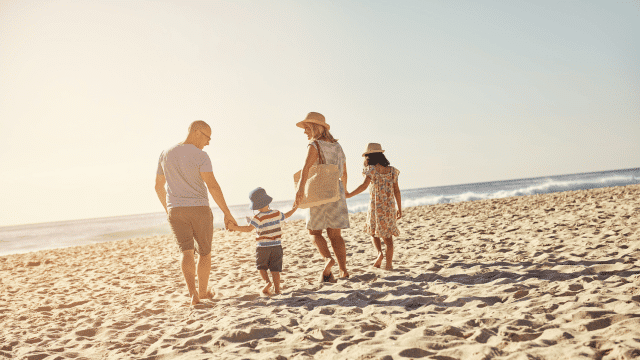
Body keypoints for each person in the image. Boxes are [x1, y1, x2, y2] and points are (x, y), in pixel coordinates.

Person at [155, 120, 238, 305]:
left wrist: (168, 209)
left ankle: (192, 294)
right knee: (204, 253)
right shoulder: (201, 155)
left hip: (176, 210)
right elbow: (213, 186)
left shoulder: (165, 153)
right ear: (197, 132)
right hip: (199, 209)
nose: (208, 142)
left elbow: (158, 186)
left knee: (186, 252)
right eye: (208, 137)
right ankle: (202, 292)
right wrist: (227, 213)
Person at [293, 112, 350, 282]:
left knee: (314, 231)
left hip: (319, 191)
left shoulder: (314, 145)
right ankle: (343, 270)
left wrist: (300, 189)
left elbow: (306, 168)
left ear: (314, 128)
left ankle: (327, 259)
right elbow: (344, 172)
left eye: (306, 128)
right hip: (336, 191)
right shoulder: (337, 146)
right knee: (336, 235)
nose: (304, 132)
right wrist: (344, 191)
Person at [227, 187, 297, 295]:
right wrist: (295, 207)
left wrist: (234, 227)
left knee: (261, 267)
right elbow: (287, 215)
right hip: (277, 247)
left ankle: (267, 283)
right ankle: (277, 290)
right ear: (267, 201)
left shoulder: (258, 217)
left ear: (255, 205)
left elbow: (248, 229)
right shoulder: (276, 213)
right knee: (275, 270)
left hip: (263, 247)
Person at [346, 143, 402, 270]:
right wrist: (399, 208)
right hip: (389, 207)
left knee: (373, 232)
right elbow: (397, 191)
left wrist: (349, 195)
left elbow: (364, 186)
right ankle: (389, 265)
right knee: (388, 238)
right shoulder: (392, 170)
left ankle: (379, 254)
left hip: (375, 207)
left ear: (369, 157)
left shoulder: (371, 169)